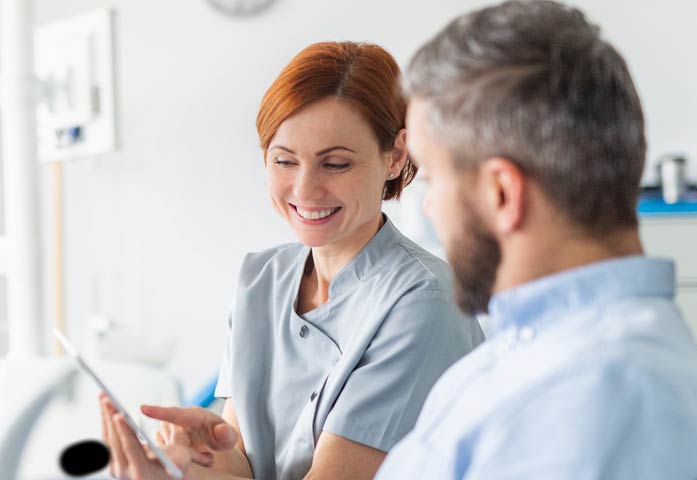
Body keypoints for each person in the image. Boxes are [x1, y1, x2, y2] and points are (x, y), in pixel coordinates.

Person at [99, 41, 484, 480]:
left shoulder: (423, 299)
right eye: (284, 160)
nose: (304, 190)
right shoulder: (261, 280)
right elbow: (238, 461)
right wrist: (183, 469)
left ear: (395, 157)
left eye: (335, 164)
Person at [374, 1, 697, 479]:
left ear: (501, 193)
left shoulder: (587, 404)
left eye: (431, 178)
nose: (429, 206)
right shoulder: (549, 350)